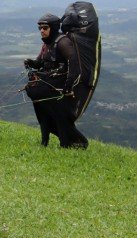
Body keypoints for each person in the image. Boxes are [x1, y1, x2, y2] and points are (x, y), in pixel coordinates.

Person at [23, 13, 88, 148]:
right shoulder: (46, 44)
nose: (42, 31)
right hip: (47, 84)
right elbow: (40, 62)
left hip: (59, 88)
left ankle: (70, 143)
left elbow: (74, 65)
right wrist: (31, 63)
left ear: (52, 28)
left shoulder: (63, 42)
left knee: (60, 118)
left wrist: (68, 87)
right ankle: (44, 142)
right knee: (42, 113)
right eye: (40, 28)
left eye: (45, 28)